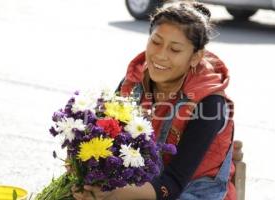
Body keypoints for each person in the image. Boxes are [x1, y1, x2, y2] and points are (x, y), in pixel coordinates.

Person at [72, 0, 238, 199]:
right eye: (156, 42)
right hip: (138, 184)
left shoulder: (209, 103)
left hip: (193, 192)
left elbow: (173, 183)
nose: (160, 55)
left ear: (195, 57)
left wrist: (113, 194)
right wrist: (87, 178)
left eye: (175, 50)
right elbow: (105, 139)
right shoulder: (132, 83)